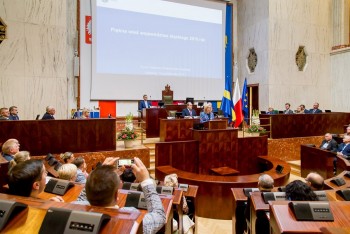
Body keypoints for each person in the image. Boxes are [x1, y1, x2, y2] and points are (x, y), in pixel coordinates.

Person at [81, 157, 166, 233]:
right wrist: (146, 180)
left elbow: (82, 196)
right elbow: (159, 216)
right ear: (116, 195)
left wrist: (99, 173)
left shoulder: (76, 208)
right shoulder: (131, 216)